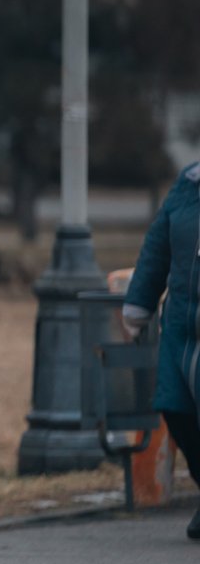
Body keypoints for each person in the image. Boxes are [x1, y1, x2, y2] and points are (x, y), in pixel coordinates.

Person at [122, 161, 200, 541]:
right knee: (175, 406)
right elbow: (156, 249)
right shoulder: (188, 184)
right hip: (182, 327)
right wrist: (138, 305)